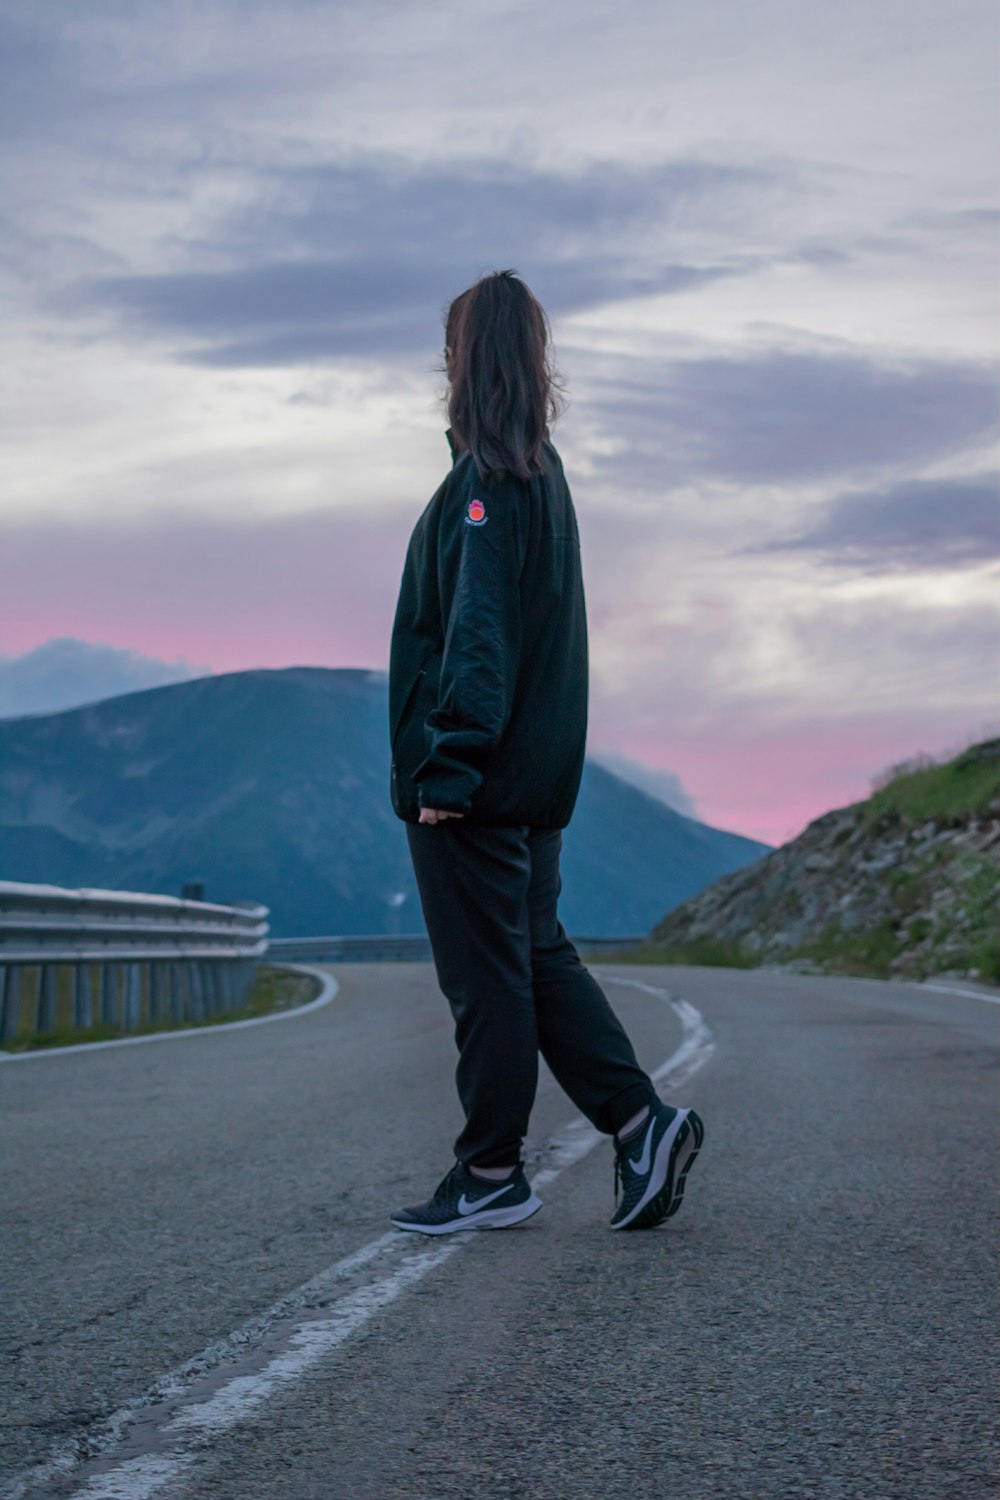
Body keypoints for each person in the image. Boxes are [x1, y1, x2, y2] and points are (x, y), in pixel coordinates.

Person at [387, 268, 704, 1234]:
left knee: (487, 981)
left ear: (463, 361)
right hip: (532, 781)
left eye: (450, 349)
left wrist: (446, 768)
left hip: (477, 787)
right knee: (536, 958)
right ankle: (641, 1124)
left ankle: (489, 1173)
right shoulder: (542, 475)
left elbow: (478, 640)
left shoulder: (482, 487)